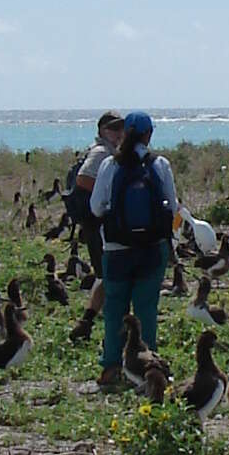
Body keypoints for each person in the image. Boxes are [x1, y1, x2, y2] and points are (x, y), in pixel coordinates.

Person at [90, 111, 178, 387]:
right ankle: (147, 368)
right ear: (149, 134)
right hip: (152, 248)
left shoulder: (109, 165)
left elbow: (95, 207)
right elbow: (172, 208)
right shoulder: (160, 164)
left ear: (125, 132)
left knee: (115, 306)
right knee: (146, 308)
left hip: (116, 249)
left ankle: (111, 368)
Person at [64, 111, 126, 268]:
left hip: (94, 219)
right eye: (112, 128)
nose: (118, 132)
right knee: (105, 271)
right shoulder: (101, 152)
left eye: (121, 128)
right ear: (101, 131)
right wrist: (106, 196)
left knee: (104, 272)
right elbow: (82, 179)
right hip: (94, 219)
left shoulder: (108, 150)